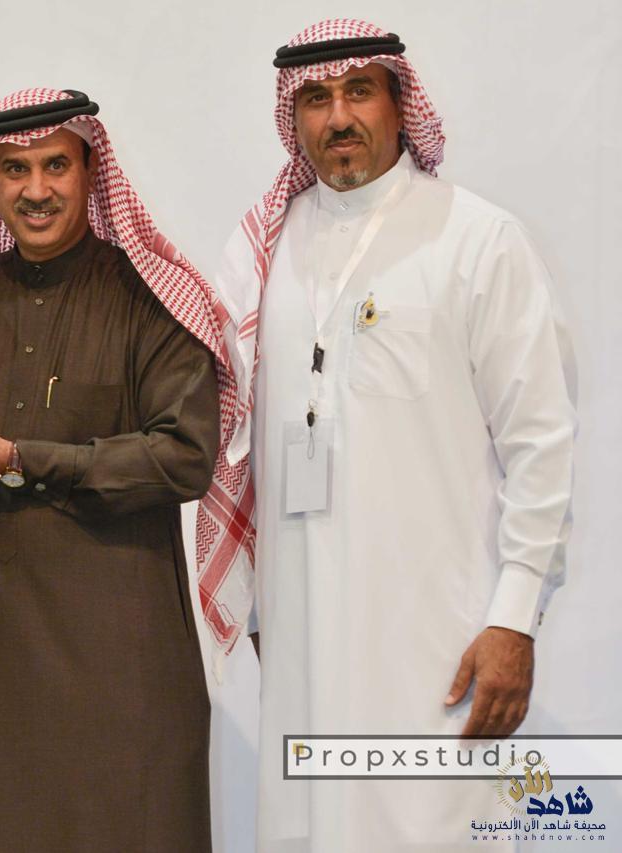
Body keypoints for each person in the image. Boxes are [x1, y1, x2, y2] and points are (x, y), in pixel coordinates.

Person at [211, 20, 576, 851]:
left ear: (399, 102)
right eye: (315, 98)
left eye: (358, 92)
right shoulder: (262, 251)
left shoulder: (476, 239)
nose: (339, 116)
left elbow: (542, 442)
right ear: (292, 117)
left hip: (440, 640)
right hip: (302, 646)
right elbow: (234, 449)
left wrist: (515, 617)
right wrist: (258, 603)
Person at [0, 88, 242, 852]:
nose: (36, 189)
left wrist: (20, 459)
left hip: (122, 659)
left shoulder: (151, 298)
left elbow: (184, 456)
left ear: (90, 169)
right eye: (14, 169)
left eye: (55, 165)